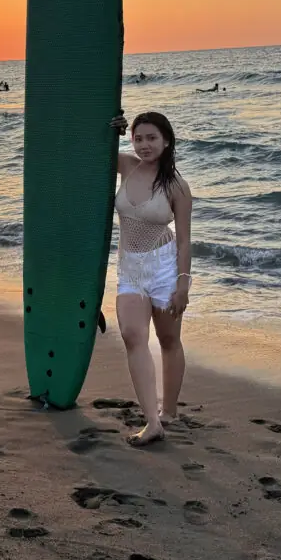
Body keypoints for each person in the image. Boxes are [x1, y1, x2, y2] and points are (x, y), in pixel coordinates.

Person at [109, 111, 193, 447]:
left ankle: (169, 410)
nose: (144, 145)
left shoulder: (177, 186)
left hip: (164, 268)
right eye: (138, 138)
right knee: (132, 335)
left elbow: (185, 239)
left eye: (151, 138)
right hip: (129, 266)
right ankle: (152, 420)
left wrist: (183, 284)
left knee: (168, 340)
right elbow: (87, 149)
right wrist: (109, 131)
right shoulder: (126, 166)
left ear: (166, 141)